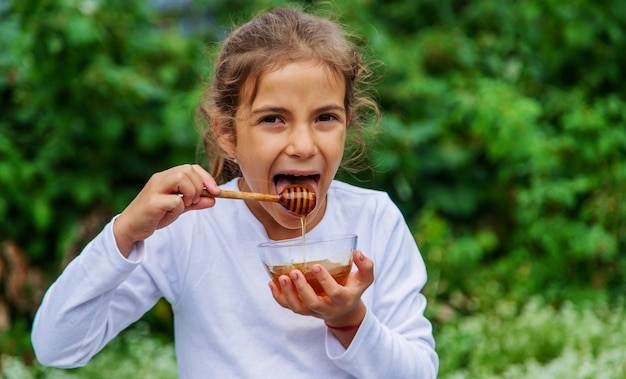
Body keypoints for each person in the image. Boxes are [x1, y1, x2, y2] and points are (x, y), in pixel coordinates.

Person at [31, 6, 438, 378]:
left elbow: (419, 372)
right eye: (274, 119)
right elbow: (56, 348)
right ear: (228, 133)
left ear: (347, 123)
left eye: (325, 117)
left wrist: (350, 319)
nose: (303, 145)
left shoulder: (375, 221)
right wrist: (125, 234)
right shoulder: (187, 228)